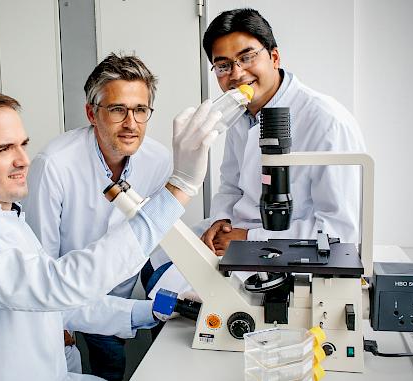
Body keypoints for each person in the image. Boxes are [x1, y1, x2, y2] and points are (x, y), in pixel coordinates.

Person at [0, 92, 221, 380]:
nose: (23, 160)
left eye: (22, 144)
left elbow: (62, 306)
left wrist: (156, 308)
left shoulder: (10, 219)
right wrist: (179, 188)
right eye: (4, 149)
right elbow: (57, 286)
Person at [146, 8, 366, 298]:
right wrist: (220, 221)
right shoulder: (241, 113)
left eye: (247, 58)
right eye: (223, 65)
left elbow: (340, 231)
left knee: (174, 295)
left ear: (274, 57)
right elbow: (230, 185)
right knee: (153, 265)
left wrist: (250, 239)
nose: (237, 74)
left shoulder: (326, 121)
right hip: (237, 235)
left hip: (284, 250)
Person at [22, 53, 170, 380]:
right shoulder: (54, 164)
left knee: (114, 362)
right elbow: (40, 257)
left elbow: (158, 241)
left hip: (122, 283)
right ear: (92, 113)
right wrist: (53, 320)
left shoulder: (159, 160)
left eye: (140, 110)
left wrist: (176, 292)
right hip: (70, 288)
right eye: (118, 109)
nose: (131, 123)